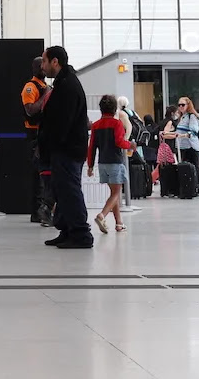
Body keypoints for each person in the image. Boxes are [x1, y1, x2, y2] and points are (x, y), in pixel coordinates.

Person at [40, 45, 92, 249]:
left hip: (67, 150)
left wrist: (52, 143)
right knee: (62, 191)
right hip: (63, 149)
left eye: (44, 61)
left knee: (70, 191)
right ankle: (67, 229)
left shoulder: (68, 85)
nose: (42, 66)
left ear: (55, 62)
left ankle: (81, 234)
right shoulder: (63, 83)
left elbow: (63, 121)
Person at [88, 94, 133, 233]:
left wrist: (90, 166)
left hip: (102, 164)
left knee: (113, 193)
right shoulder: (117, 124)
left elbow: (92, 147)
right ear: (115, 109)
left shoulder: (95, 125)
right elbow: (120, 142)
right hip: (115, 162)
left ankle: (119, 223)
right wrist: (130, 145)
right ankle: (102, 215)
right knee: (116, 194)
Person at [21, 58, 51, 224]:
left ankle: (44, 209)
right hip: (34, 134)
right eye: (40, 65)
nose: (43, 68)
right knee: (38, 175)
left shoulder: (46, 87)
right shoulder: (30, 87)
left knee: (45, 174)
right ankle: (36, 211)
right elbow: (31, 111)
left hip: (45, 133)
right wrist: (46, 96)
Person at [173, 96, 199, 170]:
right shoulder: (182, 117)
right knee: (185, 168)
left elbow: (194, 131)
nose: (181, 107)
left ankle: (196, 181)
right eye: (179, 105)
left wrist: (183, 135)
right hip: (182, 146)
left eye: (183, 105)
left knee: (193, 167)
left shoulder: (192, 116)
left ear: (188, 105)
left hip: (191, 146)